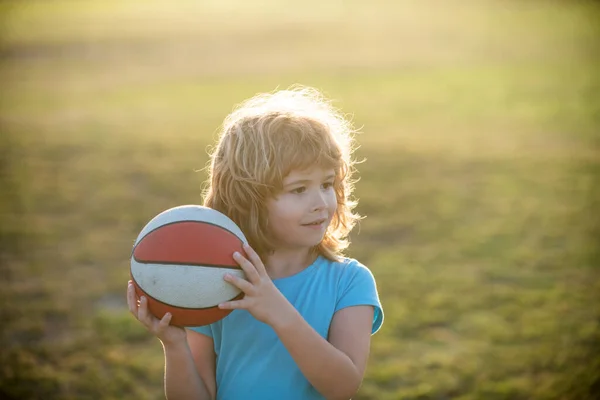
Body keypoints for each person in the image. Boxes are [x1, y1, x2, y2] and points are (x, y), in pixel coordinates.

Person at [127, 86, 384, 400]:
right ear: (249, 200)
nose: (320, 202)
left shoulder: (349, 282)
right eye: (299, 189)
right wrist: (174, 344)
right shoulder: (215, 285)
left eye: (327, 184)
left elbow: (342, 386)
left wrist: (278, 311)